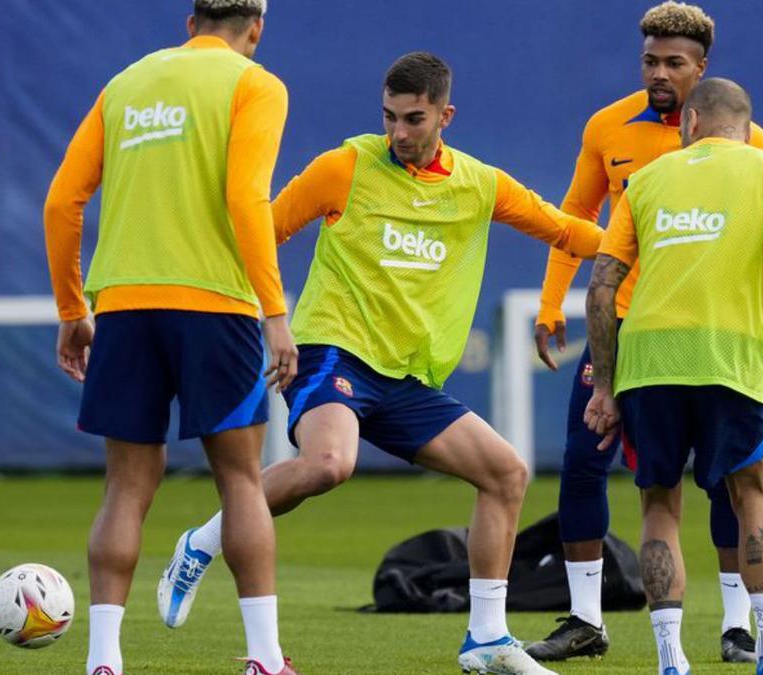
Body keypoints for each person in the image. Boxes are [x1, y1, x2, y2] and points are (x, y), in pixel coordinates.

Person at [157, 51, 605, 675]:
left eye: (414, 119)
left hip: (406, 377)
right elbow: (263, 229)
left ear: (446, 115)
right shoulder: (345, 166)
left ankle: (486, 638)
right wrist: (262, 315)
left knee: (506, 473)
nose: (398, 132)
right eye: (389, 117)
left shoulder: (480, 184)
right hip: (332, 349)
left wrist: (639, 249)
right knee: (330, 463)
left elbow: (565, 231)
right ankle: (203, 541)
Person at [528, 2, 763, 663]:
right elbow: (574, 218)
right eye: (650, 60)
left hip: (703, 330)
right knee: (582, 459)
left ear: (701, 69)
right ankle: (584, 618)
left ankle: (735, 626)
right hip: (623, 326)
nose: (659, 72)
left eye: (674, 63)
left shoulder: (752, 141)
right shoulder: (607, 127)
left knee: (728, 480)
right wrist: (551, 305)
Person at [42, 1, 300, 674]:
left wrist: (74, 307)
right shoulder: (256, 83)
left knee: (126, 487)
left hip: (125, 307)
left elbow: (62, 201)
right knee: (241, 480)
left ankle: (103, 661)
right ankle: (265, 659)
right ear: (256, 29)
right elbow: (248, 197)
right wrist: (275, 311)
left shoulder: (123, 84)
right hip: (218, 306)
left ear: (190, 24)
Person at [584, 77, 763, 675]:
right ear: (745, 125)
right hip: (728, 358)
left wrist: (605, 385)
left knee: (660, 503)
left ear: (690, 123)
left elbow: (601, 285)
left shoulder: (645, 181)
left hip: (647, 361)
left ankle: (669, 660)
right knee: (751, 496)